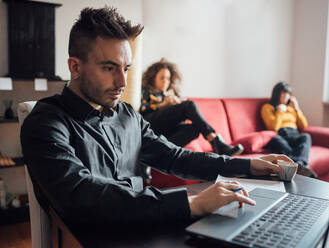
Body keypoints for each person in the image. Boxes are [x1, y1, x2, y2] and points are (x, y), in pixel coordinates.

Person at [21, 6, 289, 226]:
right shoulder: (46, 123)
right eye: (109, 68)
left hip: (147, 224)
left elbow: (174, 157)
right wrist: (192, 203)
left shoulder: (126, 115)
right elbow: (81, 194)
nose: (122, 81)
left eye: (126, 68)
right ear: (75, 66)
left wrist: (247, 166)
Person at [140, 58, 244, 156]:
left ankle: (159, 150)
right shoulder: (145, 91)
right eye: (162, 78)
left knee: (194, 129)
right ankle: (215, 141)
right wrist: (164, 105)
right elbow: (143, 110)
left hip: (164, 131)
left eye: (168, 78)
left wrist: (176, 109)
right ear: (153, 78)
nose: (165, 81)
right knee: (189, 105)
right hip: (149, 124)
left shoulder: (169, 94)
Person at [261, 82, 317, 178]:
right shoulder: (267, 107)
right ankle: (299, 166)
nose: (285, 96)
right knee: (276, 140)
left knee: (306, 136)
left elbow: (304, 125)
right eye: (283, 93)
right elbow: (273, 127)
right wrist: (279, 111)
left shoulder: (291, 108)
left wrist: (297, 108)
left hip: (294, 134)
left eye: (288, 94)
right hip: (281, 134)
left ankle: (298, 164)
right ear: (277, 94)